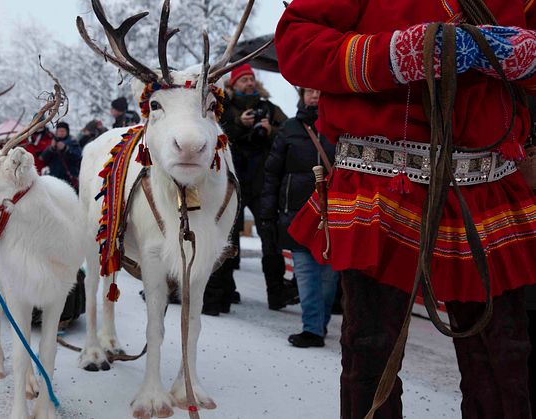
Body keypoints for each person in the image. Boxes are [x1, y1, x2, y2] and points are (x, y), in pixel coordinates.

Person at [277, 1, 536, 417]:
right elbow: (296, 44)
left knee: (505, 352)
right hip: (384, 181)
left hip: (488, 186)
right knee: (371, 347)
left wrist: (525, 57)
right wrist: (397, 54)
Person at [206, 63, 290, 314]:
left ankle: (277, 293)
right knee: (228, 239)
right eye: (244, 80)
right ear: (234, 84)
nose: (249, 83)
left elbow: (288, 134)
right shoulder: (224, 110)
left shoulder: (270, 109)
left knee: (270, 239)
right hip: (231, 183)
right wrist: (240, 125)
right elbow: (216, 137)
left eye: (251, 79)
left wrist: (270, 130)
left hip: (262, 183)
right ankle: (226, 292)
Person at [260, 87, 339, 347]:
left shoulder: (339, 127)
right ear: (301, 96)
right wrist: (268, 214)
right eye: (309, 92)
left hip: (333, 214)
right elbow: (272, 173)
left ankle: (319, 324)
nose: (315, 96)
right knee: (306, 274)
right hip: (297, 212)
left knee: (328, 279)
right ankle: (312, 329)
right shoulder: (290, 128)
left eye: (319, 92)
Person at [40, 121, 81, 190]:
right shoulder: (52, 142)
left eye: (63, 131)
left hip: (69, 179)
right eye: (59, 131)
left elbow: (78, 157)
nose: (61, 133)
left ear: (67, 132)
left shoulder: (73, 142)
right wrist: (51, 149)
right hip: (54, 178)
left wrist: (66, 149)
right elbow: (43, 158)